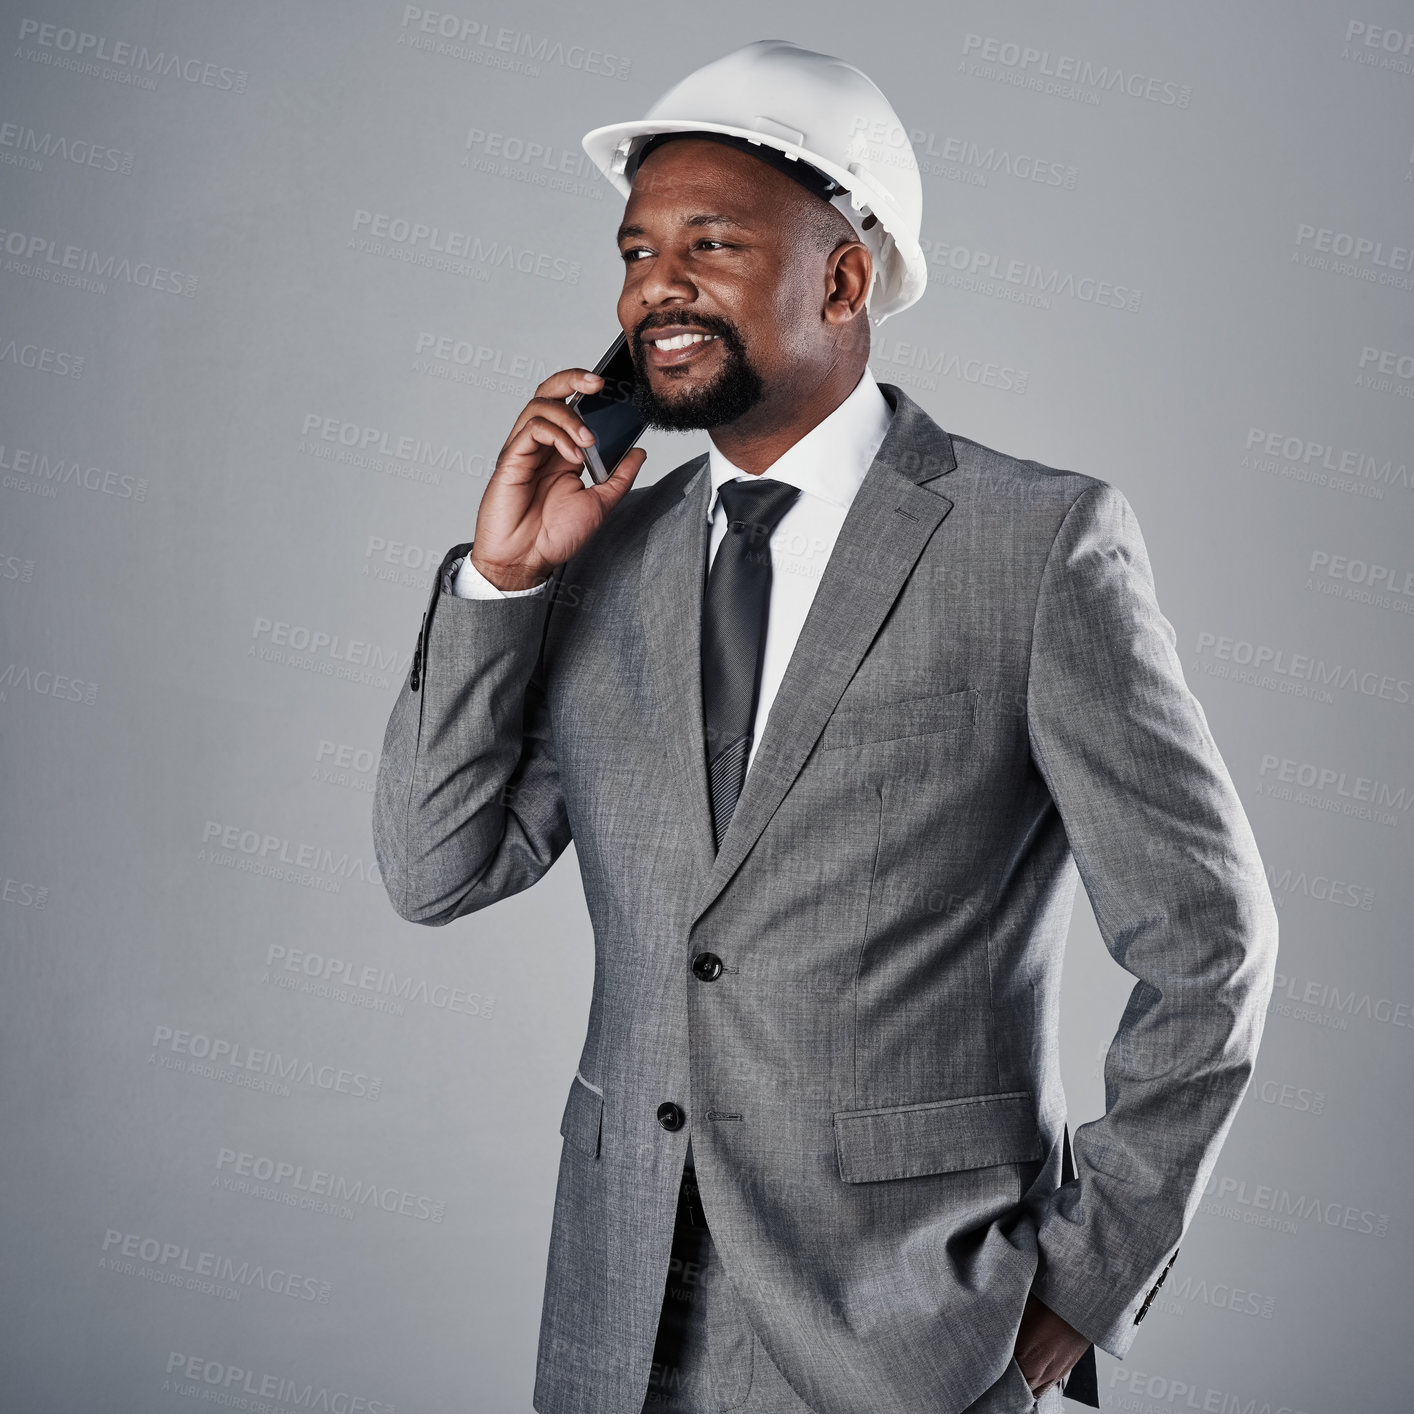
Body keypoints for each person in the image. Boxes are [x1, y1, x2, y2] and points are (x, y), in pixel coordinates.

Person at [373, 39, 1278, 1414]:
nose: (653, 285)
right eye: (634, 250)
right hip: (619, 1324)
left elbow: (1211, 945)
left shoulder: (1032, 546)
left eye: (711, 243)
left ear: (845, 277)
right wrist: (502, 578)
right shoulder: (604, 561)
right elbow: (436, 865)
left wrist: (1074, 1290)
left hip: (913, 1331)